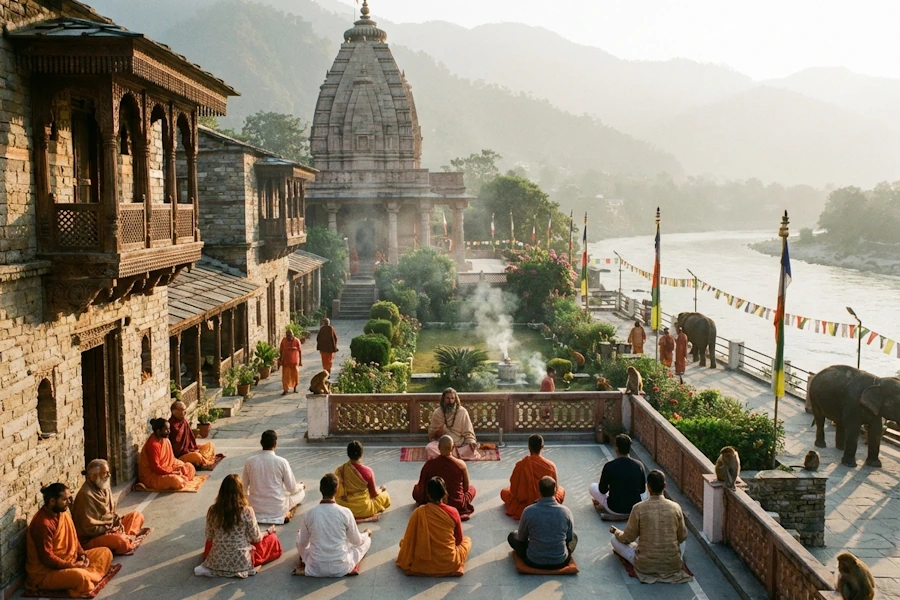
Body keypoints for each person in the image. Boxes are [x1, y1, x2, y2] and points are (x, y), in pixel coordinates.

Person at [25, 483, 113, 597]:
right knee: (81, 578)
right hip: (47, 573)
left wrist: (82, 555)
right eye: (65, 499)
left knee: (105, 553)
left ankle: (86, 575)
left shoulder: (63, 514)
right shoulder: (42, 524)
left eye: (69, 498)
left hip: (71, 560)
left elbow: (74, 539)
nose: (69, 502)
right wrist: (71, 566)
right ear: (52, 501)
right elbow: (47, 558)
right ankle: (86, 576)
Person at [610, 470, 692, 584]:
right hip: (672, 566)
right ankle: (671, 559)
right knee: (682, 539)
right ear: (665, 486)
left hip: (645, 566)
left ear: (648, 487)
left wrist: (617, 532)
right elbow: (682, 537)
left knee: (614, 540)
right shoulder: (675, 507)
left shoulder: (638, 508)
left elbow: (627, 538)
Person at [195, 474, 282, 578]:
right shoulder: (247, 511)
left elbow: (209, 537)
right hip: (241, 561)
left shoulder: (213, 510)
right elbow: (256, 538)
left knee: (209, 544)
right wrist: (268, 531)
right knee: (272, 538)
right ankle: (248, 566)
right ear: (240, 491)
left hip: (216, 561)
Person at [296, 473, 372, 577]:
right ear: (336, 491)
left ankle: (309, 566)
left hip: (315, 567)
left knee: (299, 538)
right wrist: (366, 534)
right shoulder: (345, 512)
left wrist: (301, 534)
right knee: (366, 541)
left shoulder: (308, 513)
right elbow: (356, 541)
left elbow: (302, 544)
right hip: (341, 567)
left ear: (320, 490)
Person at [396, 477, 472, 576]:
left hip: (422, 563)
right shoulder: (453, 512)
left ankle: (426, 568)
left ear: (428, 494)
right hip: (448, 563)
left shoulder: (419, 512)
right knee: (467, 541)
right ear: (444, 492)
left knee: (405, 543)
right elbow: (459, 540)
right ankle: (453, 569)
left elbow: (411, 538)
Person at [72, 459, 145, 555]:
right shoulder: (85, 495)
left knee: (136, 516)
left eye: (108, 472)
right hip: (93, 538)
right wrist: (111, 528)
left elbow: (112, 514)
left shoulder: (104, 487)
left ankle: (127, 537)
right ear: (94, 476)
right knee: (120, 541)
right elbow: (89, 529)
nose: (109, 475)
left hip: (110, 528)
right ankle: (125, 539)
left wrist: (116, 523)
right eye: (105, 473)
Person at [508, 476, 577, 570]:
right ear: (556, 490)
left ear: (538, 490)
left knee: (512, 536)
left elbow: (521, 538)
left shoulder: (528, 511)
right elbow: (569, 538)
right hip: (560, 561)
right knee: (574, 537)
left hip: (533, 560)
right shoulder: (566, 511)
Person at [242, 430, 306, 524]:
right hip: (277, 508)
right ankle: (286, 512)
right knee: (301, 493)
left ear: (261, 443)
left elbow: (244, 488)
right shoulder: (282, 462)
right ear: (275, 444)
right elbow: (292, 488)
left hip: (255, 509)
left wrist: (251, 499)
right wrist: (301, 486)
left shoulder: (250, 461)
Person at [501, 434, 566, 520]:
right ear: (542, 447)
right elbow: (555, 489)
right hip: (547, 503)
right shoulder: (550, 466)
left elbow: (513, 490)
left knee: (504, 492)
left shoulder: (521, 464)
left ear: (529, 447)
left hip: (526, 506)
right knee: (561, 490)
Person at [413, 435, 476, 519]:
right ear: (453, 447)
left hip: (434, 502)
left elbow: (422, 486)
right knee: (472, 489)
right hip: (456, 504)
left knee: (416, 489)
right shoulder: (461, 465)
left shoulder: (430, 464)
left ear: (438, 447)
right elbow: (465, 488)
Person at [590, 434, 647, 517]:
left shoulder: (609, 466)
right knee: (645, 491)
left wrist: (611, 487)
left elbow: (602, 490)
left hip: (614, 508)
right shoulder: (639, 465)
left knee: (592, 487)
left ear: (616, 448)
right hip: (634, 507)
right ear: (630, 448)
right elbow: (642, 490)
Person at [334, 441, 391, 519]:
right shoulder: (367, 471)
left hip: (344, 507)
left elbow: (335, 491)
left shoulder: (340, 470)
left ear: (348, 454)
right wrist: (381, 488)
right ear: (361, 454)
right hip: (364, 508)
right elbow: (374, 494)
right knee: (386, 495)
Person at [138, 417, 196, 491]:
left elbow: (172, 459)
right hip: (152, 476)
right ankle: (181, 478)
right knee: (176, 481)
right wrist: (172, 472)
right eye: (166, 430)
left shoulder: (166, 440)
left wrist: (181, 466)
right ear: (158, 431)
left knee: (190, 467)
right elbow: (156, 468)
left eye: (169, 429)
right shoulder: (152, 445)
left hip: (167, 469)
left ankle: (182, 477)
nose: (169, 431)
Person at [425, 388, 481, 460]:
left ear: (455, 399)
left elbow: (468, 431)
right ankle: (454, 455)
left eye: (452, 398)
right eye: (447, 398)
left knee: (471, 449)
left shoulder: (462, 412)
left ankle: (446, 456)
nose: (450, 401)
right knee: (429, 448)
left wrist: (471, 442)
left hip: (459, 444)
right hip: (443, 445)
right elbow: (431, 434)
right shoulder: (438, 412)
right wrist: (438, 432)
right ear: (443, 399)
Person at [168, 400, 216, 469]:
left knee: (210, 445)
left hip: (190, 451)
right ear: (173, 411)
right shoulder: (171, 425)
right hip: (179, 457)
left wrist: (193, 449)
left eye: (185, 409)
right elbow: (176, 448)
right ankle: (202, 460)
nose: (184, 412)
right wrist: (190, 452)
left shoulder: (184, 422)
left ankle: (201, 459)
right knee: (197, 456)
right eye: (182, 410)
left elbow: (190, 440)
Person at [279, 329, 302, 395]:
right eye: (287, 335)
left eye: (290, 335)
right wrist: (280, 360)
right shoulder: (284, 341)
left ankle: (295, 388)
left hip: (294, 362)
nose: (289, 337)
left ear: (293, 334)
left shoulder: (297, 341)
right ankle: (285, 390)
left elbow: (300, 351)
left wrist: (300, 361)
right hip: (286, 362)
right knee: (285, 377)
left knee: (295, 376)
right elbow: (281, 351)